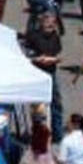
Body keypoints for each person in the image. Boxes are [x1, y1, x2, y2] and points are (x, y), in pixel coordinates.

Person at [26, 11, 64, 142]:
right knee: (37, 105)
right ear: (42, 22)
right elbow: (27, 55)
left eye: (53, 24)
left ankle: (58, 134)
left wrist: (55, 59)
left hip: (51, 71)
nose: (51, 26)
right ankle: (37, 133)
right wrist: (37, 59)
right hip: (36, 73)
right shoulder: (32, 36)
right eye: (49, 24)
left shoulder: (55, 36)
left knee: (56, 103)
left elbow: (58, 54)